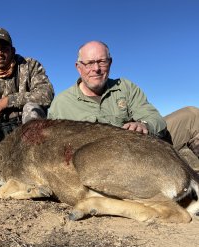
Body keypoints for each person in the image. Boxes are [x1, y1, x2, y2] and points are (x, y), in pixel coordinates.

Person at [48, 41, 199, 171]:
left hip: (144, 148)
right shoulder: (61, 105)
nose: (96, 68)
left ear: (110, 63)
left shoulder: (125, 87)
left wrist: (144, 125)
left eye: (102, 61)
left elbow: (155, 118)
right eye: (89, 63)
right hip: (103, 166)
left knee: (192, 115)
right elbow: (53, 152)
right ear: (78, 67)